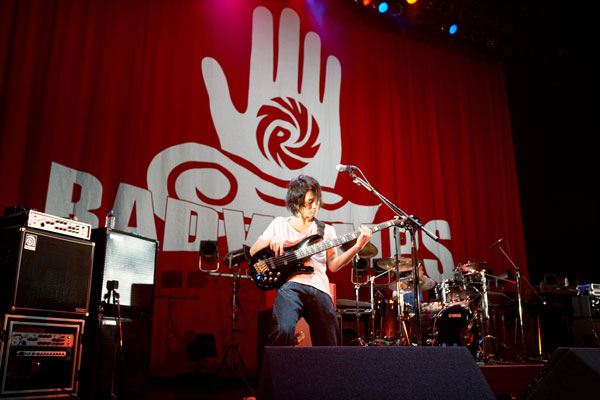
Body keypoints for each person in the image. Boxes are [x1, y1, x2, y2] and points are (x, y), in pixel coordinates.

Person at [250, 175, 372, 346]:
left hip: (319, 287)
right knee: (282, 330)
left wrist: (358, 246)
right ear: (296, 202)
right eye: (310, 201)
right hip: (290, 285)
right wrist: (271, 240)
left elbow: (333, 265)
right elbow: (253, 250)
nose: (315, 206)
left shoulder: (326, 230)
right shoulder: (280, 224)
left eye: (317, 201)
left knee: (329, 340)